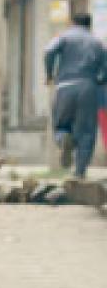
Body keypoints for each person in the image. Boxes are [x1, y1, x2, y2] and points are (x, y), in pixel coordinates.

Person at [44, 13, 107, 178]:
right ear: (89, 25)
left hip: (65, 86)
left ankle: (63, 138)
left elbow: (49, 50)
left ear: (72, 23)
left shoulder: (64, 36)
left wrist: (49, 73)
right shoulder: (97, 42)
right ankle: (79, 173)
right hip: (88, 87)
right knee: (86, 132)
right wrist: (101, 79)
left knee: (61, 124)